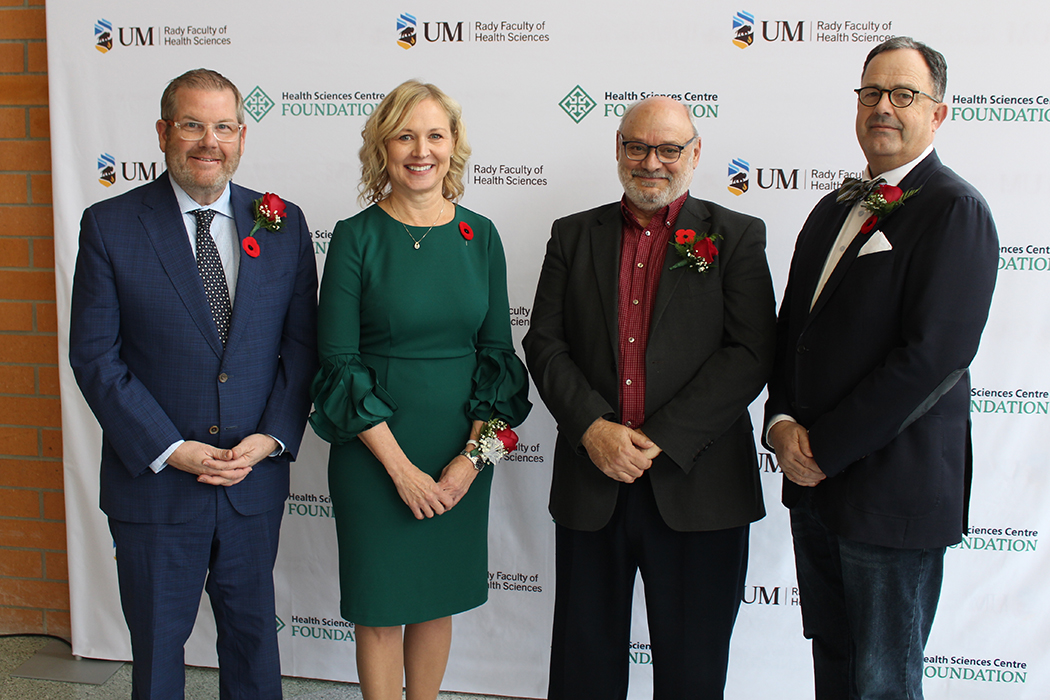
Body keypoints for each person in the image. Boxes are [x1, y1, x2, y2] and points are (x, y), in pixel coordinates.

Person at [69, 68, 318, 699]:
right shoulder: (110, 225)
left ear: (242, 136)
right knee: (156, 655)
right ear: (162, 133)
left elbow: (300, 348)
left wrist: (272, 438)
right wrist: (169, 448)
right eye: (192, 125)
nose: (210, 141)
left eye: (225, 126)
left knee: (254, 645)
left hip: (250, 482)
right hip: (156, 486)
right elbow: (96, 356)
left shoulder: (282, 225)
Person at [764, 37, 998, 699]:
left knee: (883, 682)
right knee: (835, 669)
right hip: (815, 490)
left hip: (892, 495)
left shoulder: (955, 209)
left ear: (938, 114)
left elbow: (933, 358)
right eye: (872, 93)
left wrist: (825, 448)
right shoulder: (836, 207)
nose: (884, 108)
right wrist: (781, 425)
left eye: (904, 95)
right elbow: (794, 335)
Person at [522, 96, 776, 699]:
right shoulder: (574, 234)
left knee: (692, 671)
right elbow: (545, 343)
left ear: (694, 154)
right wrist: (593, 428)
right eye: (637, 146)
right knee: (584, 669)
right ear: (618, 150)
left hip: (699, 488)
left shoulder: (735, 236)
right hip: (594, 482)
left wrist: (659, 439)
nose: (651, 162)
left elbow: (751, 353)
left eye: (668, 149)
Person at [309, 80, 531, 700]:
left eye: (434, 134)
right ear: (383, 146)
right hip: (374, 455)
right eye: (404, 135)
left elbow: (499, 369)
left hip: (459, 452)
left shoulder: (481, 236)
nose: (420, 150)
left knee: (436, 602)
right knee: (379, 609)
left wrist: (468, 462)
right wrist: (402, 471)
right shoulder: (354, 236)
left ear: (453, 144)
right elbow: (338, 365)